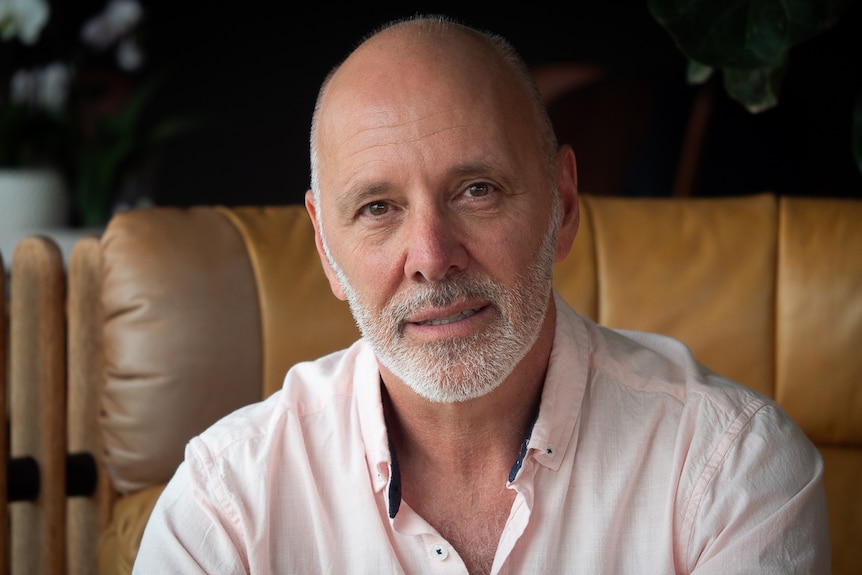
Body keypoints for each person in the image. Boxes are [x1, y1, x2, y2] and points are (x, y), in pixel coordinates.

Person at [133, 15, 830, 574]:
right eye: (378, 207)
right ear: (326, 248)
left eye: (477, 191)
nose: (432, 258)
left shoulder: (729, 471)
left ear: (562, 202)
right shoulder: (227, 505)